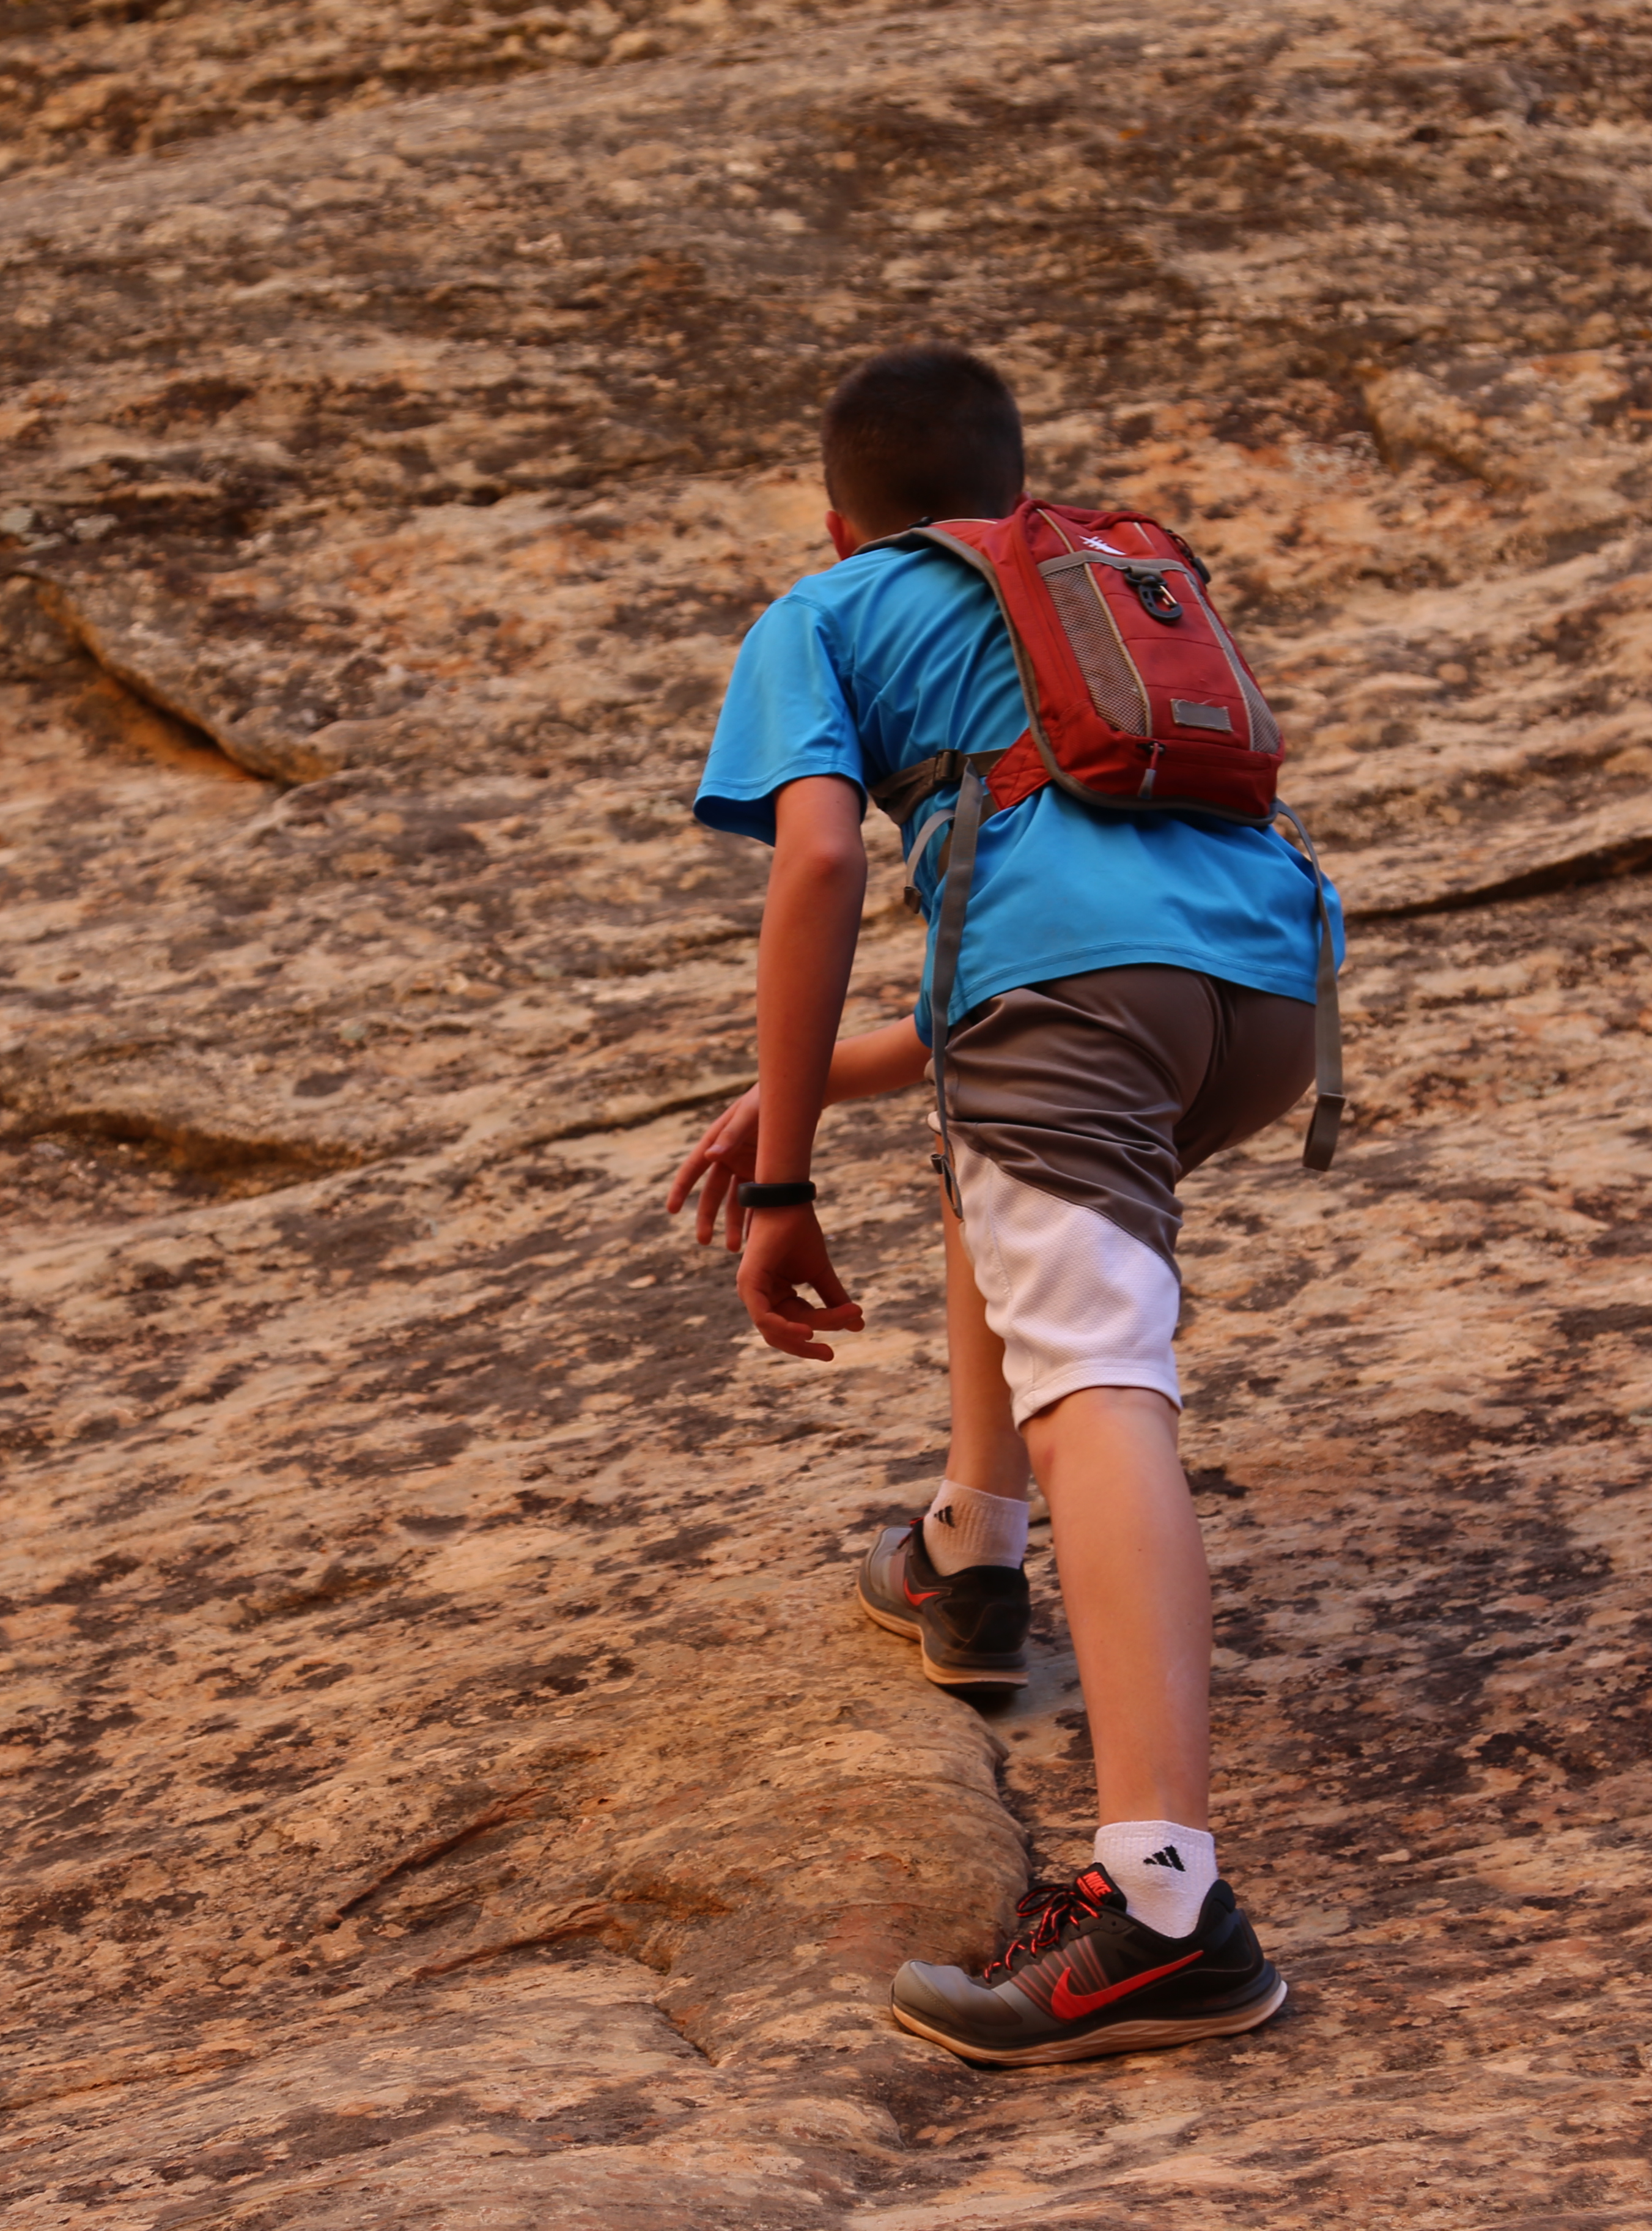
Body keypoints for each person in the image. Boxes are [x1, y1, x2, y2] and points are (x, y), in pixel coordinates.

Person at [663, 343, 1339, 2067]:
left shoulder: (823, 612)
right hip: (1269, 1002)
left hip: (1082, 1007)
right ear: (1009, 493)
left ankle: (1164, 1911)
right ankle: (971, 1559)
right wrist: (806, 1092)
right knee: (1008, 1154)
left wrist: (788, 1183)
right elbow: (1078, 934)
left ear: (838, 519)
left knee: (1103, 1382)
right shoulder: (1093, 586)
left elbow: (821, 862)